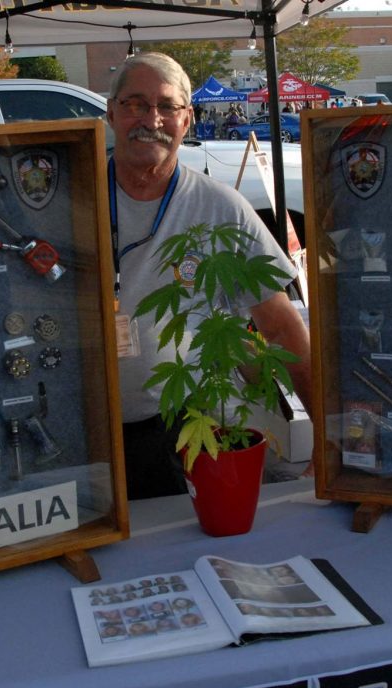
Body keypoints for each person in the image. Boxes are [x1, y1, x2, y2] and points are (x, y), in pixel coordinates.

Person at [106, 53, 314, 500]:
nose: (151, 120)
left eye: (167, 106)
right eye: (135, 104)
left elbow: (280, 327)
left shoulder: (221, 209)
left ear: (187, 119)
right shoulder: (73, 197)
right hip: (82, 434)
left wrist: (328, 438)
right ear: (111, 113)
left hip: (184, 425)